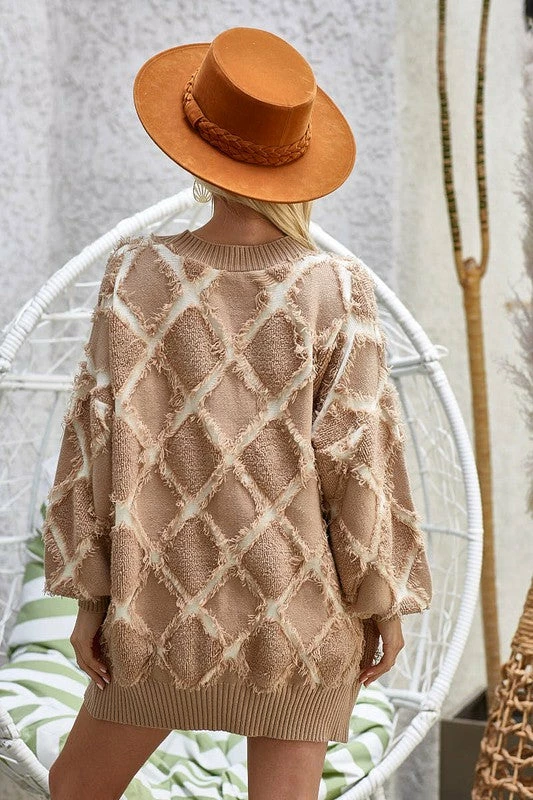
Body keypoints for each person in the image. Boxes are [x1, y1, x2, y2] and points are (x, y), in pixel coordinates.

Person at [44, 26, 433, 800]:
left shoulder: (133, 275)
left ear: (195, 150)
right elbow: (359, 463)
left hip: (153, 621)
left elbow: (93, 450)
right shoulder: (336, 288)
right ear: (295, 162)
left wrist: (91, 599)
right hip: (298, 624)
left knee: (73, 788)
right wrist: (382, 604)